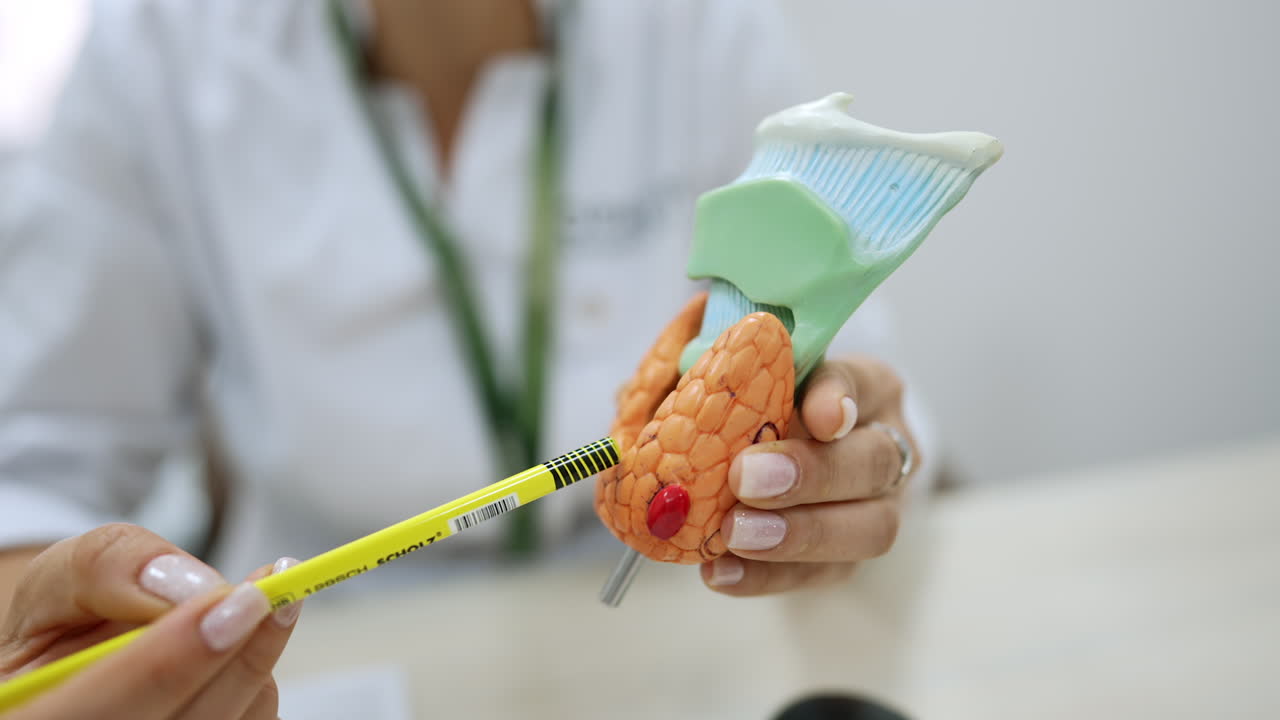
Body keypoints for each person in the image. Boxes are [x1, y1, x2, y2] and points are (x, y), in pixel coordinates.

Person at [0, 0, 924, 714]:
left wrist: (847, 464)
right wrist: (54, 616)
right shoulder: (159, 49)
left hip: (677, 646)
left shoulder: (695, 29)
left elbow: (864, 392)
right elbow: (32, 472)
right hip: (305, 659)